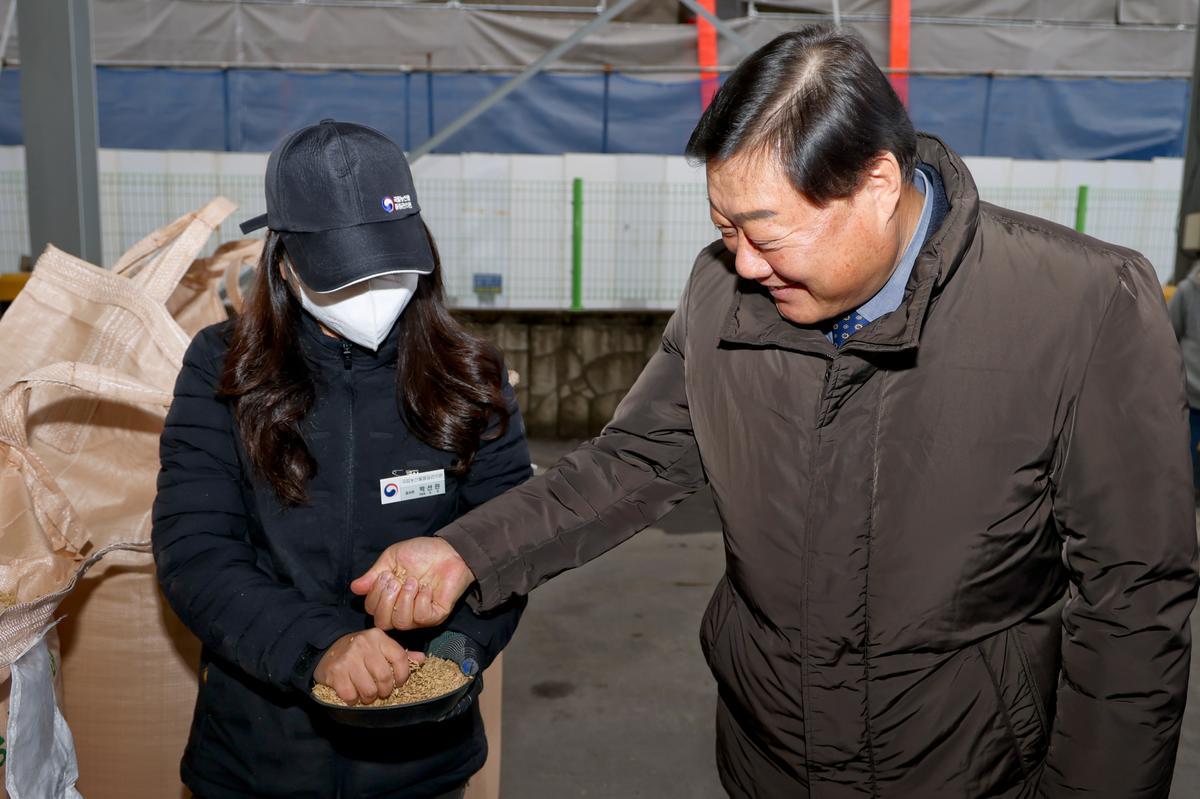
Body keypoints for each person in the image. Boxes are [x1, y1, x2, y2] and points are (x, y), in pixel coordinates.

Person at [352, 27, 1200, 798]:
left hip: (967, 765)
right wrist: (466, 550)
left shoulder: (1082, 306)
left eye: (766, 232)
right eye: (725, 228)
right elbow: (633, 462)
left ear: (875, 183)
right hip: (769, 760)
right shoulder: (722, 289)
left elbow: (1134, 596)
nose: (744, 262)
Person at [152, 120, 530, 799]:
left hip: (424, 761)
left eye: (387, 265)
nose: (372, 291)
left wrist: (458, 649)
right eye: (343, 273)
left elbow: (509, 535)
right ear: (285, 260)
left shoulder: (471, 376)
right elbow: (195, 548)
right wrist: (319, 646)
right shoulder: (225, 368)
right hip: (258, 757)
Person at [1169, 260, 1200, 500]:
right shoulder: (1188, 291)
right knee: (1186, 446)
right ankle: (1185, 492)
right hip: (1191, 388)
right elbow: (1169, 332)